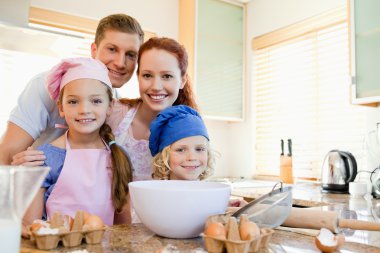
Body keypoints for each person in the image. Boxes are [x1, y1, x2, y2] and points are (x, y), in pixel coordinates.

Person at [0, 13, 144, 165]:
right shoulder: (44, 86)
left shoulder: (117, 106)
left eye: (130, 54)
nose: (121, 63)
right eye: (112, 49)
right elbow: (7, 154)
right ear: (94, 50)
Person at [22, 58, 133, 236]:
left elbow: (125, 230)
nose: (84, 110)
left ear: (110, 107)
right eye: (73, 102)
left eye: (96, 101)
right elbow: (32, 227)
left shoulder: (118, 157)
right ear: (61, 107)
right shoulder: (45, 158)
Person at [107, 37, 198, 181]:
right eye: (147, 75)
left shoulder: (190, 129)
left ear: (182, 80)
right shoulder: (112, 112)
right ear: (138, 77)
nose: (156, 86)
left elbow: (191, 186)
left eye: (167, 76)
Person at [149, 105, 214, 180]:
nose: (192, 158)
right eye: (180, 150)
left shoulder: (212, 191)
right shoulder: (156, 191)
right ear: (164, 157)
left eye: (199, 149)